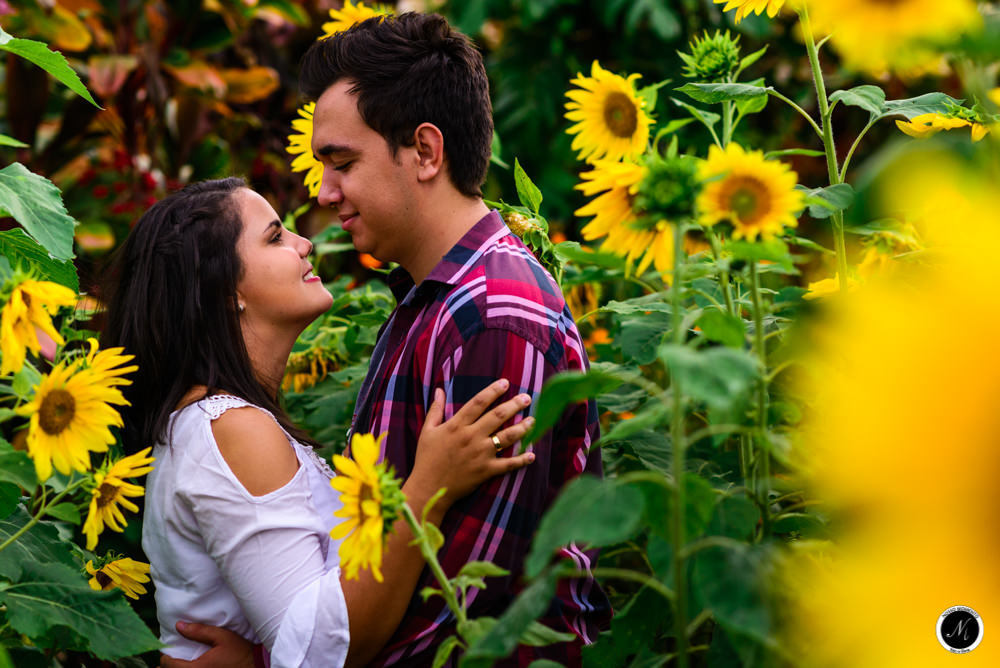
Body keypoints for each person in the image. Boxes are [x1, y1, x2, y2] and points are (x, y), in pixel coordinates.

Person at [100, 177, 538, 667]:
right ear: (224, 291)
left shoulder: (212, 423)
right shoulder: (230, 427)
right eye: (275, 237)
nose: (305, 242)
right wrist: (427, 492)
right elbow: (316, 654)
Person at [299, 11, 611, 665]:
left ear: (425, 152)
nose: (325, 193)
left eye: (342, 163)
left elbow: (463, 616)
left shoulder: (494, 319)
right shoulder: (433, 298)